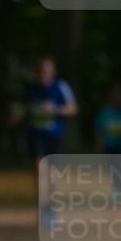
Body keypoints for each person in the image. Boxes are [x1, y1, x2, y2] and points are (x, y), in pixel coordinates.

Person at [24, 56, 77, 220]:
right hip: (36, 135)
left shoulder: (61, 87)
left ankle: (51, 207)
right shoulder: (31, 89)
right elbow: (22, 110)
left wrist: (54, 109)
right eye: (41, 71)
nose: (44, 74)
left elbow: (72, 108)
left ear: (53, 72)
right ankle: (42, 206)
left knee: (52, 173)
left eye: (47, 71)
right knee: (39, 168)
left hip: (55, 136)